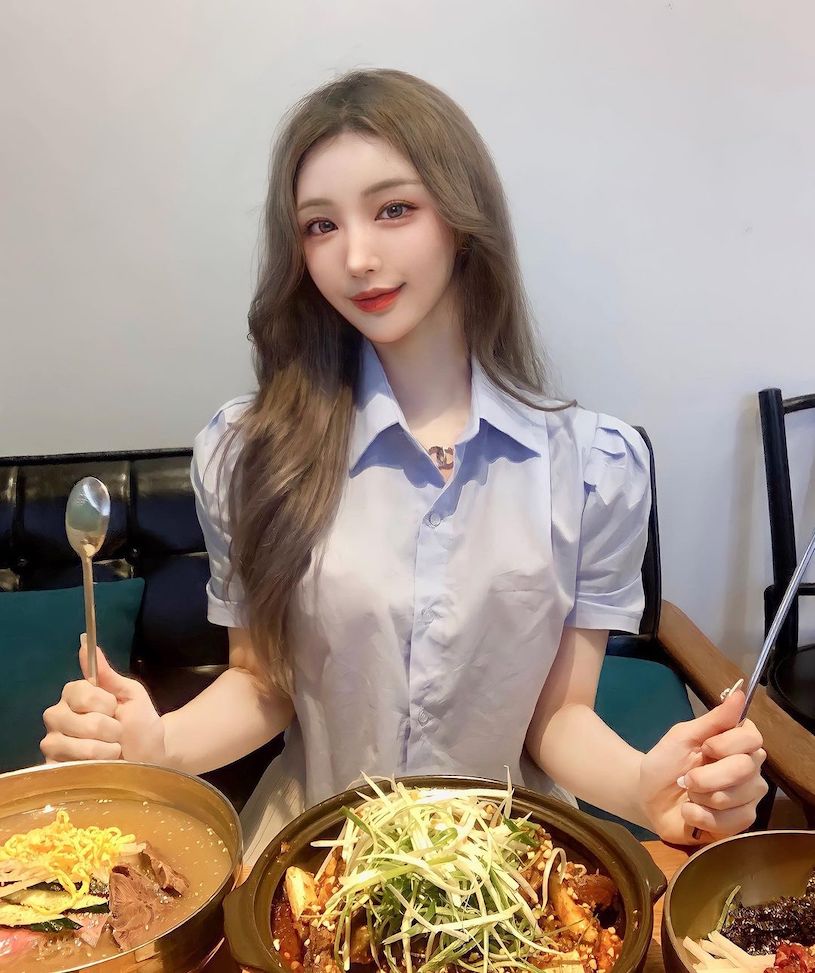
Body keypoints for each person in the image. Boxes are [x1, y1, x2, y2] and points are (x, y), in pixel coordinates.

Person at [41, 69, 766, 862]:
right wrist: (158, 743)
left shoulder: (591, 467)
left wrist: (644, 787)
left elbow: (558, 718)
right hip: (315, 860)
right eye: (320, 225)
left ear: (461, 219)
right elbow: (263, 682)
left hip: (506, 868)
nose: (356, 257)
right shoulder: (252, 454)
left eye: (394, 209)